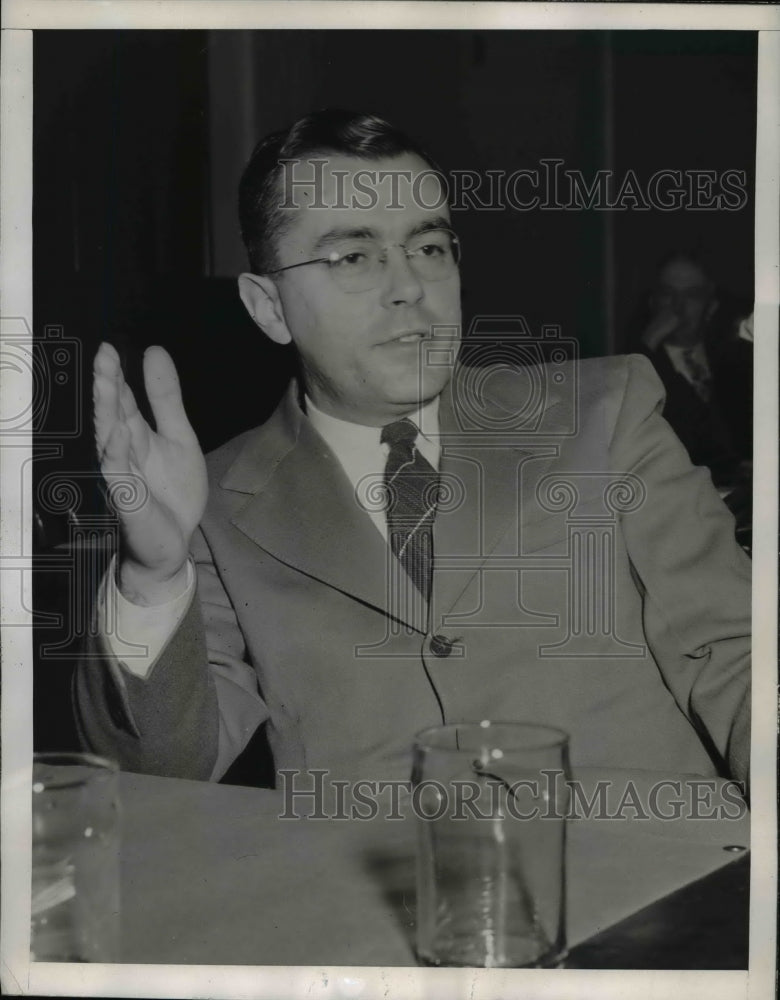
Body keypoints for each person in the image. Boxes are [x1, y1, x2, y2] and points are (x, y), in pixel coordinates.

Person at [76, 111, 750, 791]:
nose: (409, 288)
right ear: (269, 308)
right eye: (354, 256)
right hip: (373, 892)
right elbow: (159, 775)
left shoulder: (604, 411)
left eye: (428, 248)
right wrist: (153, 577)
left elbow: (738, 657)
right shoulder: (208, 503)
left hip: (657, 878)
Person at [631, 250, 753, 487]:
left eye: (692, 295)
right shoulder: (640, 364)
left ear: (711, 307)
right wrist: (648, 342)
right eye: (667, 294)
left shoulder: (735, 362)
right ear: (653, 302)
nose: (677, 306)